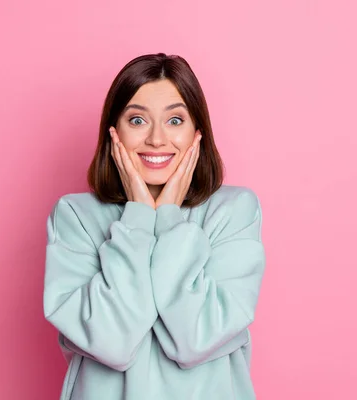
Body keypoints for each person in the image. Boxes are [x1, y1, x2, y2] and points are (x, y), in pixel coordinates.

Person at [43, 53, 266, 400]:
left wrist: (169, 218)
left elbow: (196, 338)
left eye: (175, 120)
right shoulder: (75, 216)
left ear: (197, 131)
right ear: (113, 131)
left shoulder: (233, 211)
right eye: (138, 121)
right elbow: (112, 341)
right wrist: (138, 218)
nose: (157, 140)